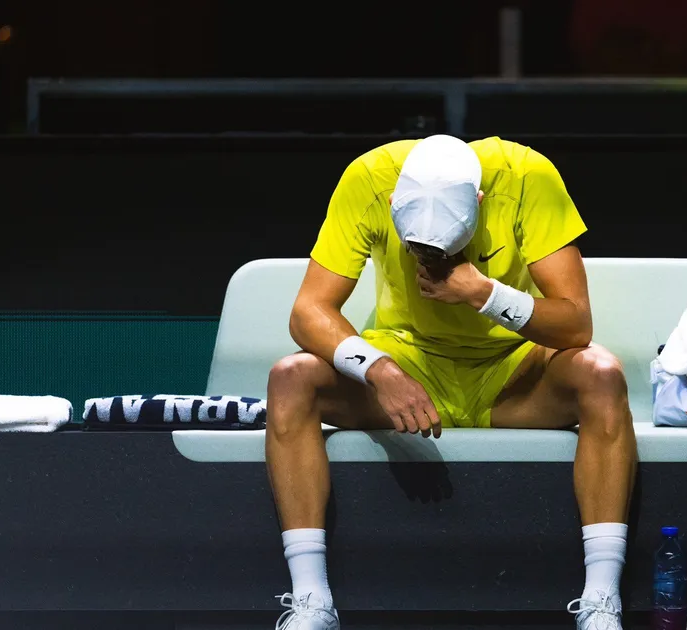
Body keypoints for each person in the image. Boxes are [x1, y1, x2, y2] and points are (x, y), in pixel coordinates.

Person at [265, 134, 639, 630]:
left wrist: (483, 293)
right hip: (407, 365)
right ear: (394, 202)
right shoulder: (370, 178)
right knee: (290, 377)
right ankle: (311, 602)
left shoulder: (528, 176)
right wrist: (379, 369)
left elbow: (575, 326)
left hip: (514, 372)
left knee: (602, 374)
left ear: (479, 204)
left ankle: (600, 602)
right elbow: (308, 311)